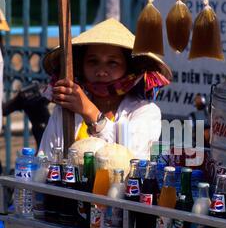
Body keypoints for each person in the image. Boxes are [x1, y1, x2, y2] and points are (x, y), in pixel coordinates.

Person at [39, 18, 172, 160]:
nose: (101, 71)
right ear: (81, 66)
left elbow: (131, 160)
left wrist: (91, 113)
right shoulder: (65, 111)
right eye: (93, 61)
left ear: (129, 68)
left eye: (112, 63)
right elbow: (45, 160)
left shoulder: (145, 111)